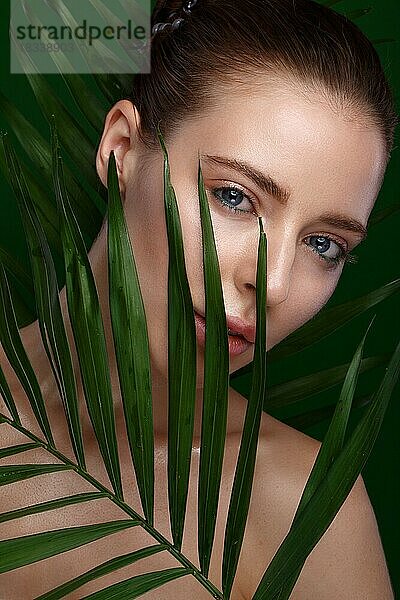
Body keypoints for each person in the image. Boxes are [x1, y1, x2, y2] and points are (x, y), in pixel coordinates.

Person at [0, 0, 397, 598]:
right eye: (236, 197)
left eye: (324, 244)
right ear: (121, 149)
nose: (276, 283)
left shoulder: (301, 508)